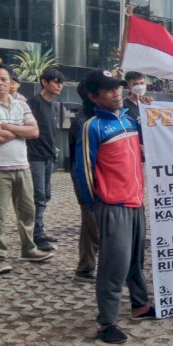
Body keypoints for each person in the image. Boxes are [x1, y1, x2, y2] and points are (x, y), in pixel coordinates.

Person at [74, 69, 154, 344]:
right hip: (112, 206)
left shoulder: (129, 119)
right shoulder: (92, 126)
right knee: (113, 266)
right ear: (93, 96)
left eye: (118, 87)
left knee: (135, 259)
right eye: (109, 90)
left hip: (135, 201)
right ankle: (106, 322)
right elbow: (83, 171)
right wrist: (93, 208)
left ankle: (140, 305)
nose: (117, 92)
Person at [0, 63, 54, 274]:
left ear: (11, 81)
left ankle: (29, 249)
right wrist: (19, 129)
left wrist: (6, 126)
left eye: (4, 79)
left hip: (22, 166)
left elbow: (34, 132)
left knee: (27, 211)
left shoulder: (21, 104)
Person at [26, 68, 65, 252]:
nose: (59, 85)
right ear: (44, 82)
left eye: (61, 82)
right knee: (38, 196)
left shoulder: (54, 105)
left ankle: (39, 229)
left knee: (46, 195)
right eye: (56, 81)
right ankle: (37, 236)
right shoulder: (34, 102)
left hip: (49, 156)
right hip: (35, 157)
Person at [70, 80, 99, 283]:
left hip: (101, 181)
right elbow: (84, 162)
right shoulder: (83, 122)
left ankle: (85, 268)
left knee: (90, 227)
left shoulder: (98, 116)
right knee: (94, 226)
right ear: (92, 96)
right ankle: (88, 269)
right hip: (87, 181)